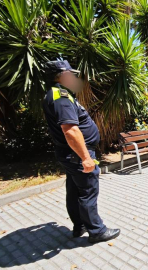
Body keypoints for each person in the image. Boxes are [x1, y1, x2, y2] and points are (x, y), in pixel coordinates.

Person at [42, 60, 120, 243]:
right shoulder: (61, 96)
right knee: (87, 192)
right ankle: (97, 231)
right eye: (71, 73)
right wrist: (85, 157)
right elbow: (70, 130)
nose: (74, 77)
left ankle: (80, 226)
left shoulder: (57, 94)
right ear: (61, 76)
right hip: (77, 155)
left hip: (70, 155)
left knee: (74, 190)